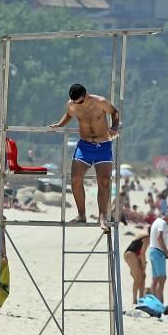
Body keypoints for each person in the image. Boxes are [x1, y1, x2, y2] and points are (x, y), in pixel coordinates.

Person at [47, 83, 120, 228]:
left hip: (103, 145)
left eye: (79, 101)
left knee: (104, 181)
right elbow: (69, 115)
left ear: (85, 95)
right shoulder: (72, 104)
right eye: (74, 102)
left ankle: (102, 217)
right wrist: (59, 125)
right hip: (84, 145)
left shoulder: (100, 102)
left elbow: (115, 112)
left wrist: (114, 127)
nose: (77, 104)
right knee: (75, 179)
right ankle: (81, 214)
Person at [148, 211, 168, 303]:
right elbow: (159, 237)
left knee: (155, 278)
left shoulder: (156, 221)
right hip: (158, 252)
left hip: (152, 250)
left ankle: (153, 301)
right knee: (162, 278)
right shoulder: (162, 223)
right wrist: (166, 251)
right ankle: (159, 301)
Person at [123, 228, 149, 304]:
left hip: (134, 255)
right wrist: (143, 265)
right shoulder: (147, 237)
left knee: (143, 277)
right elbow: (142, 253)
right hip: (131, 254)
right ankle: (134, 300)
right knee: (137, 278)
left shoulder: (145, 233)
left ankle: (141, 298)